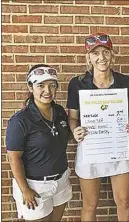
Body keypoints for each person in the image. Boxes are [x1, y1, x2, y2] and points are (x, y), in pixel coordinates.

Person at [67, 33, 129, 221]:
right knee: (90, 204)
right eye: (95, 53)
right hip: (91, 148)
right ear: (88, 56)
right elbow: (72, 118)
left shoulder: (125, 82)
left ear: (112, 54)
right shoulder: (77, 84)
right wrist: (75, 130)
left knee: (123, 202)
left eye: (105, 52)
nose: (101, 57)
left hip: (117, 147)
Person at [6, 64, 72, 221]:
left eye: (52, 85)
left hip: (60, 180)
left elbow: (63, 136)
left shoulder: (60, 112)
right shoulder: (20, 120)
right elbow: (14, 158)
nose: (47, 91)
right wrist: (25, 189)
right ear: (30, 87)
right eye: (41, 85)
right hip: (35, 185)